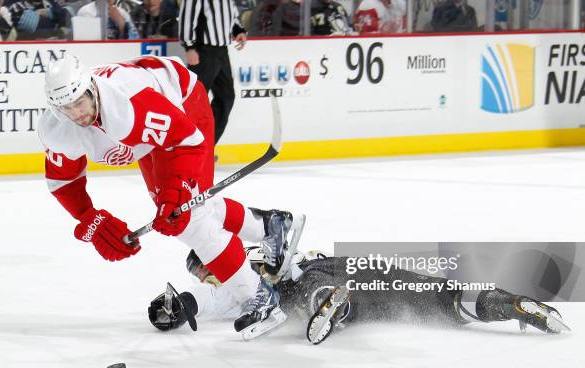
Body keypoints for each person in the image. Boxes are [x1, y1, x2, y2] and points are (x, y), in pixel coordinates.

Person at [38, 53, 304, 339]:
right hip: (151, 134)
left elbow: (187, 139)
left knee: (190, 218)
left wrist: (176, 191)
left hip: (184, 106)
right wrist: (90, 219)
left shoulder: (128, 104)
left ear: (91, 88)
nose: (77, 113)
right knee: (186, 207)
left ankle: (259, 297)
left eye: (80, 102)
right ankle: (269, 226)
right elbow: (63, 181)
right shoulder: (58, 128)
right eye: (67, 108)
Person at [148, 246, 569, 343]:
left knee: (306, 291)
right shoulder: (257, 244)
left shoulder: (233, 275)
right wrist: (174, 306)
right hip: (354, 268)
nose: (205, 278)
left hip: (317, 277)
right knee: (435, 297)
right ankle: (509, 304)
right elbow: (198, 301)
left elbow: (203, 301)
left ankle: (330, 303)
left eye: (201, 270)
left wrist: (178, 306)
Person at [179, 0, 246, 145]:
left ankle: (206, 145)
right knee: (194, 102)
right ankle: (187, 147)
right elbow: (187, 17)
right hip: (203, 51)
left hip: (222, 51)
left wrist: (237, 30)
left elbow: (231, 14)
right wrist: (190, 47)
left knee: (226, 97)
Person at [3, 0, 70, 39]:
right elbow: (32, 26)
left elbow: (66, 16)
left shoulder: (49, 2)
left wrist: (49, 12)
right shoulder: (13, 5)